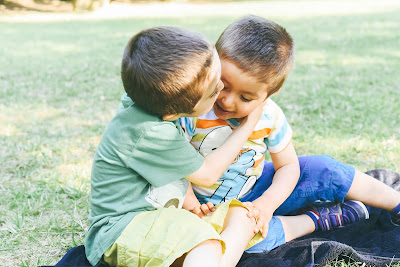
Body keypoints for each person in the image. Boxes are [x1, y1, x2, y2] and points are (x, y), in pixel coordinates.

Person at [180, 15, 400, 254]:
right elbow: (172, 163)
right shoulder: (192, 108)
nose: (227, 100)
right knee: (244, 242)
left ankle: (394, 201)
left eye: (246, 97)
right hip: (206, 208)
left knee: (320, 167)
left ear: (270, 92)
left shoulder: (269, 116)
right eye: (223, 84)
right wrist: (190, 203)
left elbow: (288, 167)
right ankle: (317, 219)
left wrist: (267, 203)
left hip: (257, 189)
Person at [84, 26, 269, 267]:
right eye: (215, 90)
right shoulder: (149, 131)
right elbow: (207, 174)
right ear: (173, 114)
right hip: (121, 230)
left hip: (161, 221)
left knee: (243, 216)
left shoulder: (148, 96)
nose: (222, 89)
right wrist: (247, 126)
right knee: (207, 246)